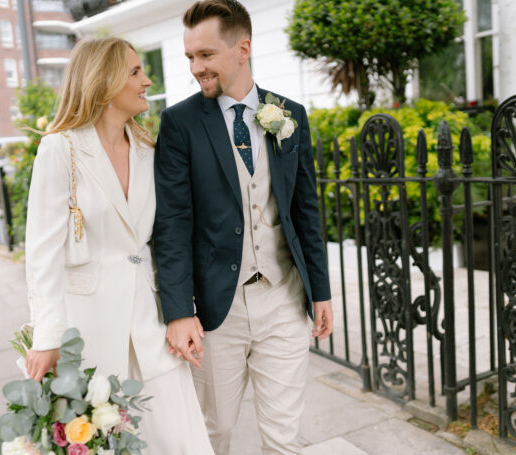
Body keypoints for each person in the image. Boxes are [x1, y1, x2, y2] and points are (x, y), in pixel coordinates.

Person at [153, 1, 334, 454]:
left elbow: (305, 209)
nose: (197, 67)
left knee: (283, 438)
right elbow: (172, 224)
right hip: (218, 311)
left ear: (243, 49)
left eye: (206, 55)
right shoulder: (180, 123)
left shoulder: (288, 113)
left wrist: (322, 290)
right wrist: (178, 311)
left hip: (284, 298)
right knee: (213, 434)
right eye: (190, 57)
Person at [24, 37, 214, 455]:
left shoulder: (148, 149)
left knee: (178, 438)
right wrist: (47, 336)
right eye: (134, 72)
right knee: (105, 442)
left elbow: (166, 234)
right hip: (90, 328)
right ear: (104, 82)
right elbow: (42, 253)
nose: (147, 81)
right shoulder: (62, 149)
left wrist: (183, 311)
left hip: (151, 321)